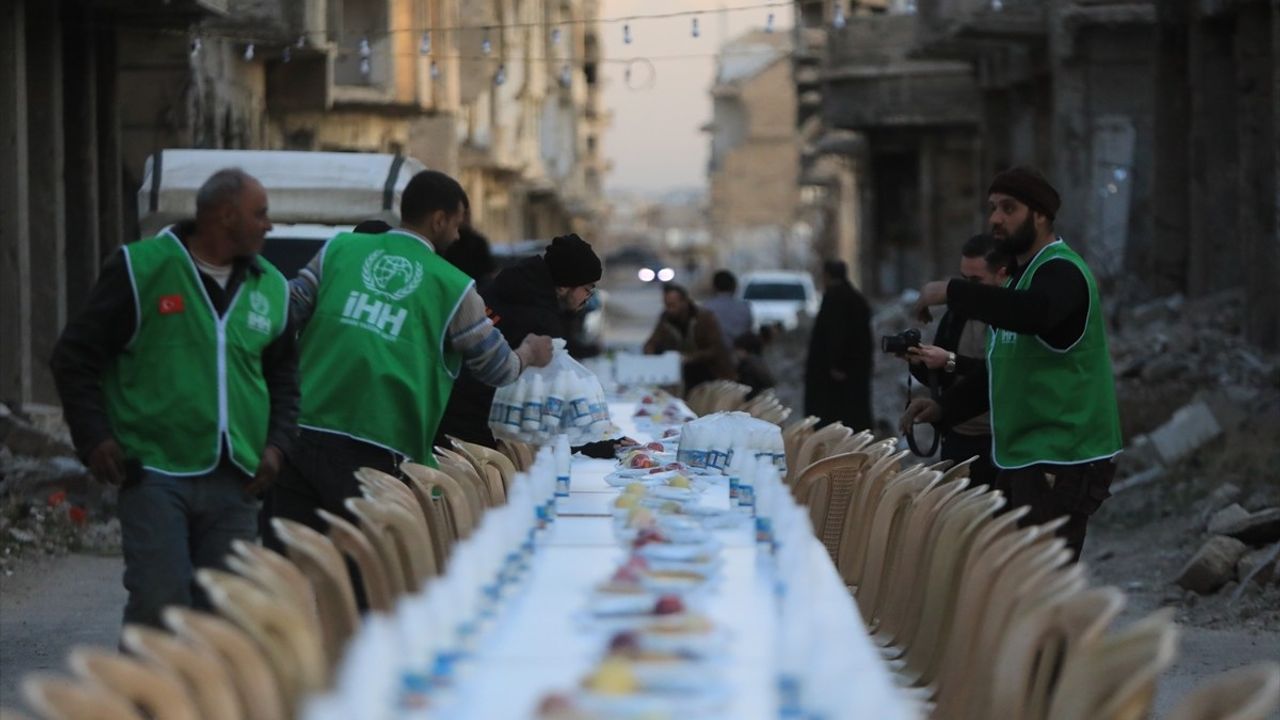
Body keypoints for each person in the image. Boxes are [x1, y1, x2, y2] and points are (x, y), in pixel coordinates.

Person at [51, 169, 297, 628]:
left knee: (224, 615)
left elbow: (283, 378)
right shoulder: (141, 268)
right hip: (156, 471)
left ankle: (212, 703)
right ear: (226, 216)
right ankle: (144, 701)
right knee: (159, 603)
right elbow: (74, 357)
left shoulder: (272, 287)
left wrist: (277, 445)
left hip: (238, 477)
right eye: (260, 214)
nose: (269, 225)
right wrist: (94, 437)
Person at [262, 169, 553, 550]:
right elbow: (498, 368)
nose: (459, 234)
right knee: (363, 570)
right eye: (458, 223)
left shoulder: (339, 251)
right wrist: (530, 352)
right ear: (439, 219)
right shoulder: (454, 287)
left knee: (291, 560)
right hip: (376, 447)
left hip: (301, 432)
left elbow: (282, 315)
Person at [905, 166, 1122, 560]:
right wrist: (944, 407)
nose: (996, 219)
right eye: (992, 208)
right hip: (1024, 455)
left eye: (1009, 208)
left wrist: (952, 292)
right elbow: (1003, 368)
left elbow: (1035, 313)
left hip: (1063, 455)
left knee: (1036, 587)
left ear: (1040, 215)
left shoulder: (1062, 271)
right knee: (1011, 579)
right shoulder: (1021, 281)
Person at [438, 233, 617, 452]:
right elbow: (542, 409)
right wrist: (590, 446)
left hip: (449, 409)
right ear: (563, 286)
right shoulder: (540, 318)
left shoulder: (507, 288)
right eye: (587, 289)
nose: (588, 297)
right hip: (483, 428)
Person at [895, 234, 1010, 489]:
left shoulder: (1014, 320)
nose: (965, 290)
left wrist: (950, 360)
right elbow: (943, 376)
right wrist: (919, 360)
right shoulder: (957, 312)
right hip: (958, 435)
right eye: (964, 280)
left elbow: (1000, 375)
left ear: (1001, 274)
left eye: (976, 281)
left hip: (999, 443)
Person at [805, 260, 873, 432]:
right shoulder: (855, 297)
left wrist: (837, 364)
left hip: (836, 374)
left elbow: (837, 332)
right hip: (855, 369)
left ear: (827, 276)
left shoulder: (835, 298)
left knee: (834, 417)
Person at [643, 283, 737, 394]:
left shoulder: (704, 318)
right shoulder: (666, 318)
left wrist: (690, 357)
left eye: (673, 305)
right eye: (667, 305)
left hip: (710, 371)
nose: (669, 309)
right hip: (682, 370)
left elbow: (715, 348)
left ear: (684, 302)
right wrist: (650, 352)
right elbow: (653, 340)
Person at [701, 270, 754, 351]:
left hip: (715, 354)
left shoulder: (706, 307)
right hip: (740, 354)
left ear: (714, 287)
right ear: (734, 286)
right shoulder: (744, 307)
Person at [734, 332, 776, 399]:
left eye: (738, 349)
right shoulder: (759, 361)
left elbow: (746, 387)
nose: (736, 353)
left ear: (744, 350)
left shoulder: (746, 365)